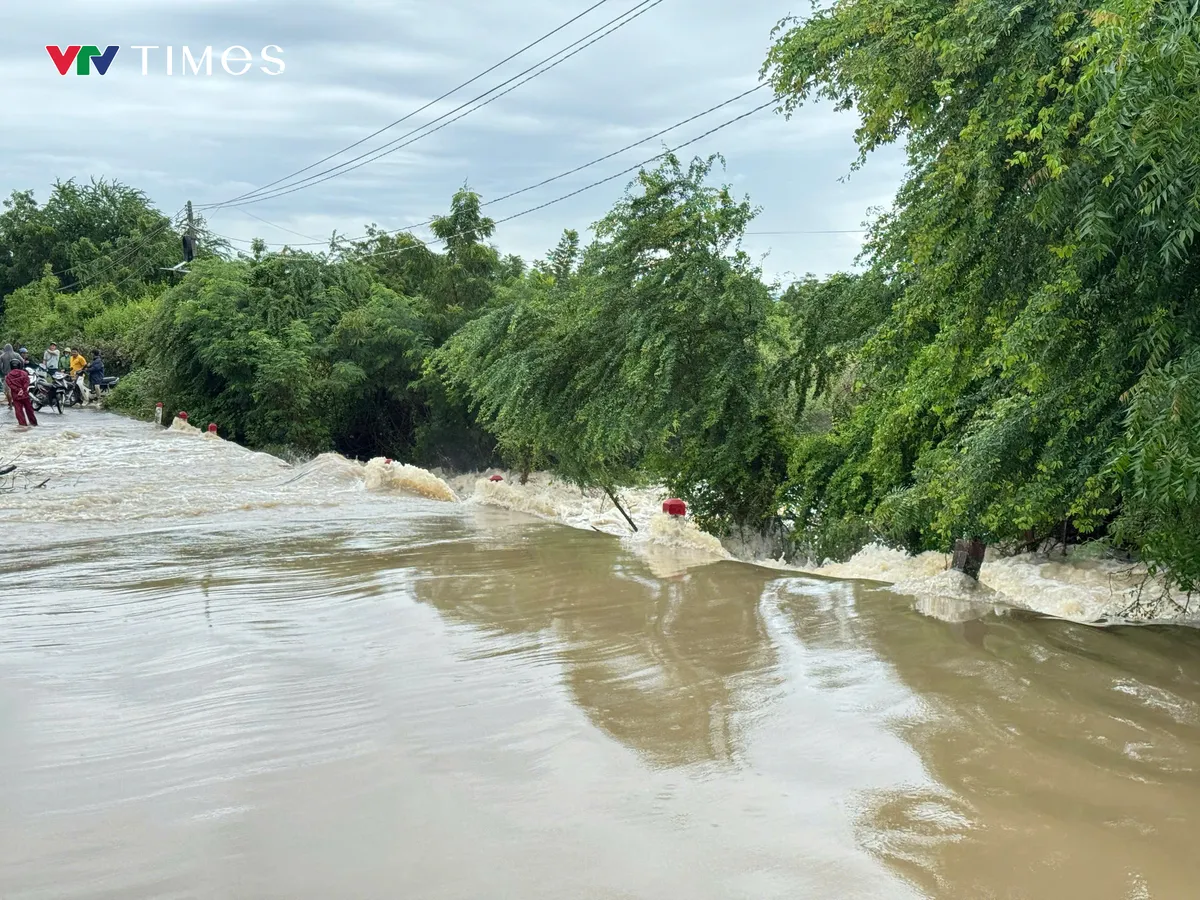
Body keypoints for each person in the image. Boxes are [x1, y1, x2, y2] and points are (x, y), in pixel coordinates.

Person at [5, 361, 37, 427]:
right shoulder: (24, 373)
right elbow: (27, 382)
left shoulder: (8, 376)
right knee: (29, 410)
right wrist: (23, 389)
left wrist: (18, 390)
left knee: (19, 411)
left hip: (16, 396)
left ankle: (23, 425)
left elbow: (10, 385)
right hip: (25, 395)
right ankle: (34, 423)